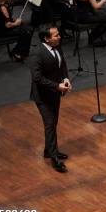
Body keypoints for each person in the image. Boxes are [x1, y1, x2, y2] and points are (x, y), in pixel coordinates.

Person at [29, 25, 71, 173]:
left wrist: (65, 78)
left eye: (58, 34)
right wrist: (57, 86)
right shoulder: (37, 54)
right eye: (55, 35)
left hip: (54, 93)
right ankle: (54, 158)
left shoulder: (57, 47)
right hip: (42, 96)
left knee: (53, 122)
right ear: (46, 39)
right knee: (50, 123)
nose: (59, 37)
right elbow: (37, 78)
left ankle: (49, 150)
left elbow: (62, 64)